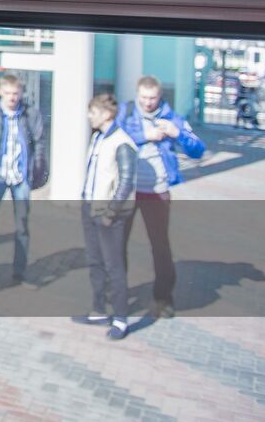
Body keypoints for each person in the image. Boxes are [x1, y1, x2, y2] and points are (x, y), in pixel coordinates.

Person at [117, 74, 206, 318]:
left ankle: (163, 299)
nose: (148, 103)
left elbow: (198, 150)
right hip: (126, 190)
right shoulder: (125, 112)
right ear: (137, 95)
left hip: (156, 191)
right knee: (117, 244)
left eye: (153, 98)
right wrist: (146, 136)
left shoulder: (170, 116)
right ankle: (118, 295)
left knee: (160, 247)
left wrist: (177, 133)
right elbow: (113, 139)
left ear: (160, 96)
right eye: (144, 98)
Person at [0, 72, 47, 283]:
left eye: (16, 93)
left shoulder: (31, 114)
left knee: (21, 225)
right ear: (0, 92)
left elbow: (39, 144)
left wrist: (37, 173)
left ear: (21, 92)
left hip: (20, 177)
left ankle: (19, 272)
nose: (12, 97)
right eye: (8, 93)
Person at [79, 93, 138, 340]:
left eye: (93, 112)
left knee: (114, 265)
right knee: (95, 260)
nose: (89, 116)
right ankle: (98, 309)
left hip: (108, 214)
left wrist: (111, 213)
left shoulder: (122, 142)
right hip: (90, 207)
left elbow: (125, 182)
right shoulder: (98, 137)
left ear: (106, 114)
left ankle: (121, 318)